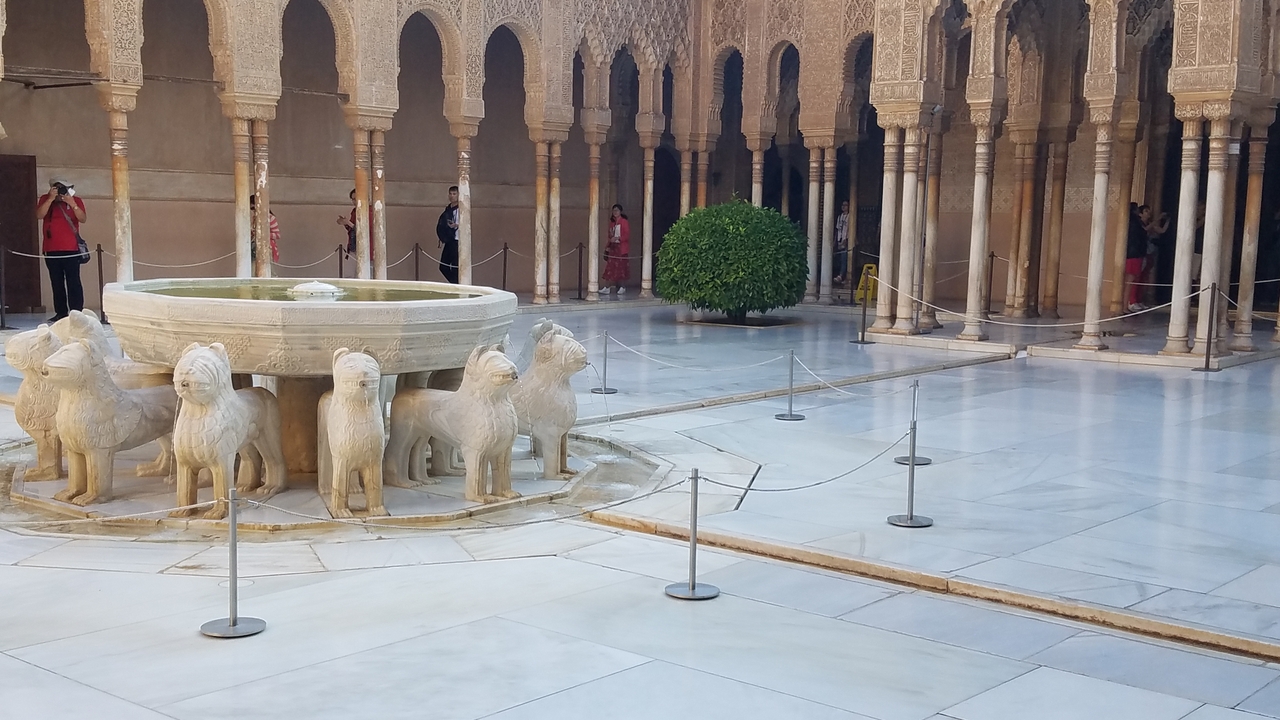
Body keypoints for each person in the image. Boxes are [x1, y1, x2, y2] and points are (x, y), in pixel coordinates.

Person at [35, 178, 87, 323]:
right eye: (57, 188)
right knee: (56, 282)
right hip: (51, 249)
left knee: (74, 281)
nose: (60, 192)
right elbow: (39, 215)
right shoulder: (46, 199)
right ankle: (61, 313)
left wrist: (72, 204)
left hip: (71, 249)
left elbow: (83, 219)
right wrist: (50, 199)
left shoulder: (76, 200)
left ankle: (77, 312)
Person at [1124, 203, 1148, 312]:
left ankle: (1127, 304)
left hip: (1134, 253)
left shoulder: (1133, 222)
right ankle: (1127, 304)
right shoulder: (1135, 223)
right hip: (1134, 253)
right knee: (1131, 279)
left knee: (1134, 279)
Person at [604, 204, 631, 295]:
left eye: (617, 210)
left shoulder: (624, 221)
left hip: (621, 248)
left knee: (621, 267)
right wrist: (609, 242)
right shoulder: (612, 222)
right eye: (614, 211)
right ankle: (607, 287)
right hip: (613, 248)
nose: (615, 212)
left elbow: (626, 235)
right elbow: (609, 235)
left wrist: (618, 238)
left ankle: (622, 287)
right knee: (610, 267)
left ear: (620, 212)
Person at [435, 186, 460, 283]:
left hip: (457, 241)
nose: (452, 196)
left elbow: (466, 224)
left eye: (454, 194)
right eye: (450, 194)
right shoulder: (448, 209)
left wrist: (456, 225)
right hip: (449, 240)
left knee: (455, 267)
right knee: (443, 266)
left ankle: (457, 286)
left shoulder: (462, 209)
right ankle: (454, 284)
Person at [249, 195, 280, 265]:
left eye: (254, 208)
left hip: (267, 247)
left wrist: (262, 234)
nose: (253, 211)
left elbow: (277, 235)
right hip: (254, 248)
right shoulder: (254, 218)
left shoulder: (270, 217)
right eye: (251, 209)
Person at [834, 200, 851, 286]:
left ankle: (842, 276)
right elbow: (837, 229)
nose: (843, 207)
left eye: (846, 205)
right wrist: (835, 241)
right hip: (839, 240)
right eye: (842, 205)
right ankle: (841, 275)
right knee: (840, 259)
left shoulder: (850, 216)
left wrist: (846, 240)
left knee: (845, 259)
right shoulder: (840, 217)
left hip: (846, 240)